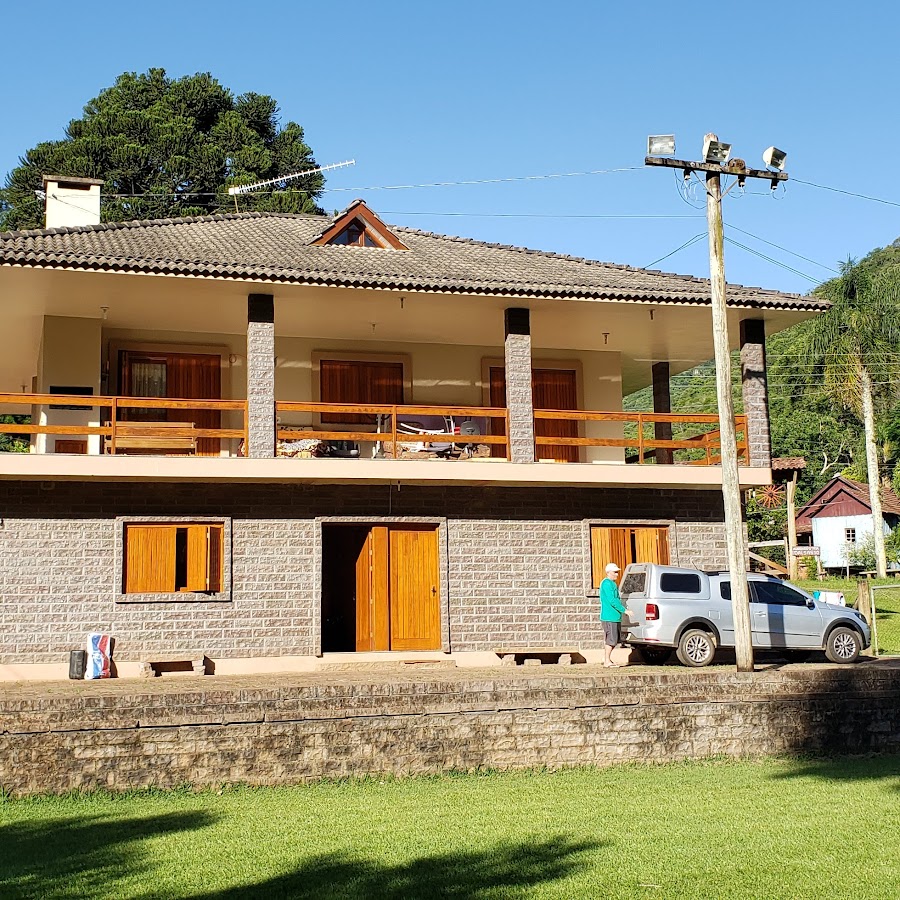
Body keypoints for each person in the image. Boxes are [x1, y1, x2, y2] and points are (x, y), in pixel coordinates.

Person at [599, 562, 632, 667]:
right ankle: (607, 661)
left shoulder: (612, 584)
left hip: (615, 617)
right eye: (615, 572)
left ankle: (606, 658)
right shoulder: (606, 583)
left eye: (617, 572)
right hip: (609, 617)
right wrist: (624, 610)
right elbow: (612, 600)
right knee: (611, 640)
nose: (617, 574)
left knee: (614, 639)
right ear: (608, 572)